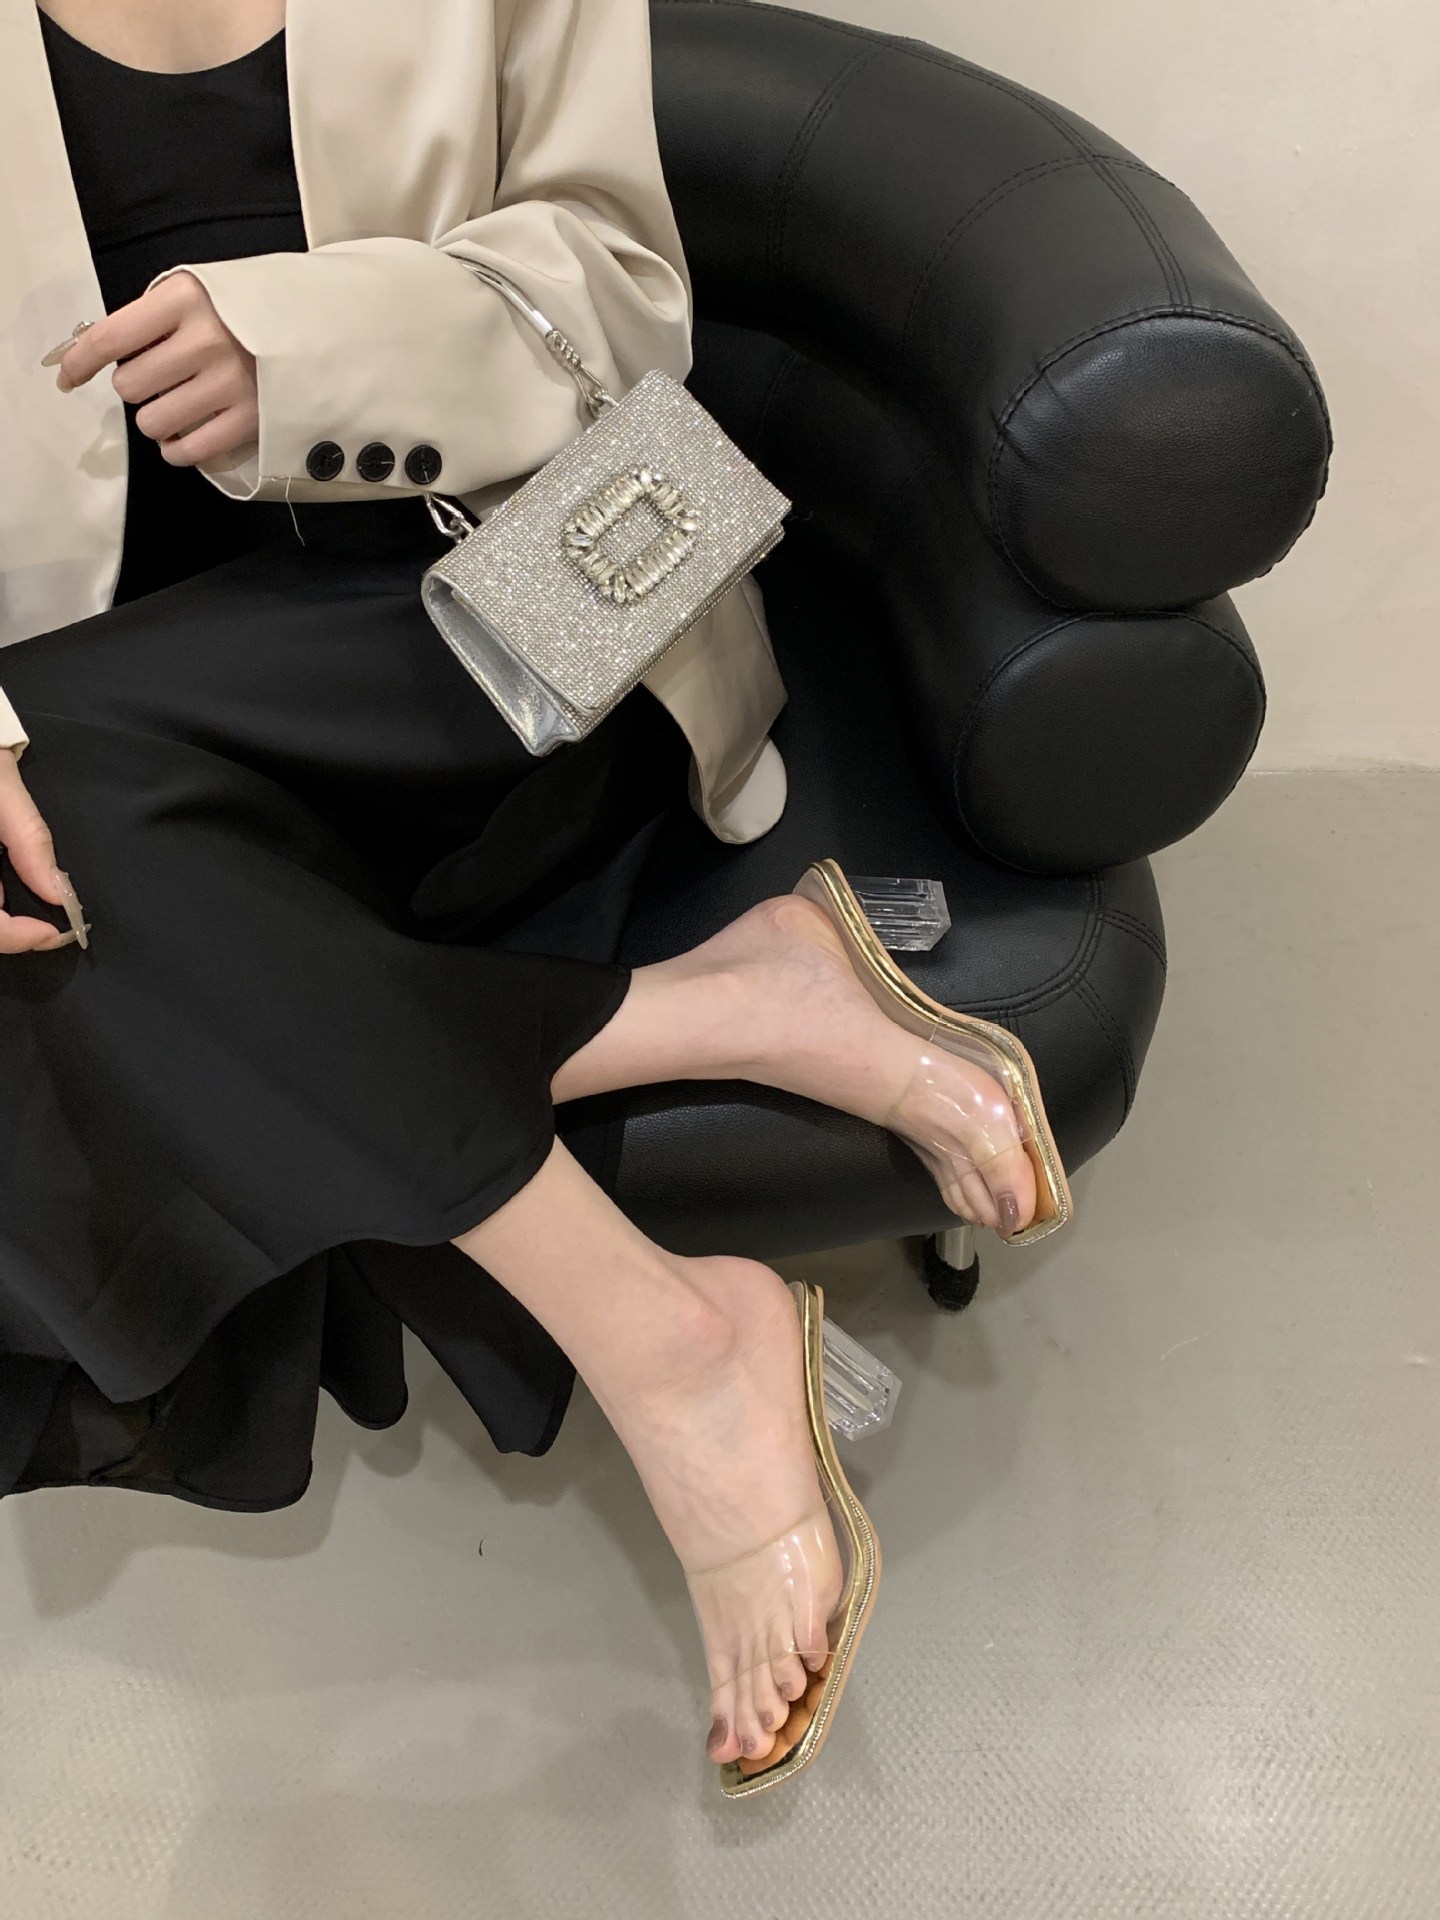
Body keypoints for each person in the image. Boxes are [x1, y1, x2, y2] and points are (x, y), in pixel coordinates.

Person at [0, 0, 1042, 1779]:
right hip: (119, 693)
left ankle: (684, 1313)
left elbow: (630, 294)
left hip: (557, 579)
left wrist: (309, 347)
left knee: (73, 867)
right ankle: (691, 1226)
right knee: (62, 838)